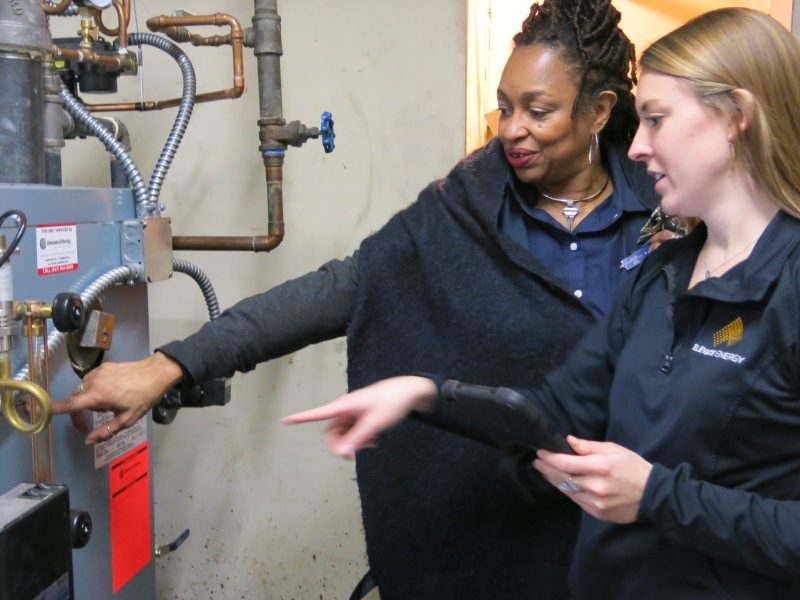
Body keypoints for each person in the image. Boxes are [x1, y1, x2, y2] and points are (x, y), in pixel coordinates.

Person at [53, 1, 660, 597]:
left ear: (599, 110)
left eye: (539, 110)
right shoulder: (468, 209)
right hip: (498, 543)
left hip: (641, 539)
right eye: (504, 107)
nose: (511, 130)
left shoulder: (669, 214)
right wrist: (170, 365)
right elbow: (341, 288)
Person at [285, 7, 800, 599]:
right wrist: (425, 393)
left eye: (656, 120)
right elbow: (556, 408)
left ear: (736, 117)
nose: (635, 147)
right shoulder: (663, 274)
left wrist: (657, 496)